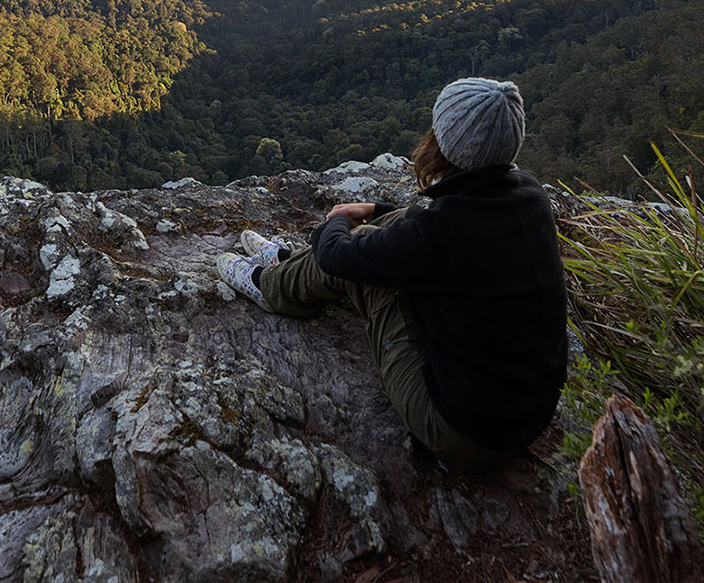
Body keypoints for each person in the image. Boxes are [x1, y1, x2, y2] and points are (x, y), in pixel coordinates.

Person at [214, 77, 567, 471]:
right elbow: (422, 224)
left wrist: (337, 221)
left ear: (448, 143)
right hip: (524, 417)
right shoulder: (529, 195)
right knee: (388, 227)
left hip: (460, 433)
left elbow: (338, 257)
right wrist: (374, 209)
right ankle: (287, 258)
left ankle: (270, 287)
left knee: (362, 261)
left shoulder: (441, 230)